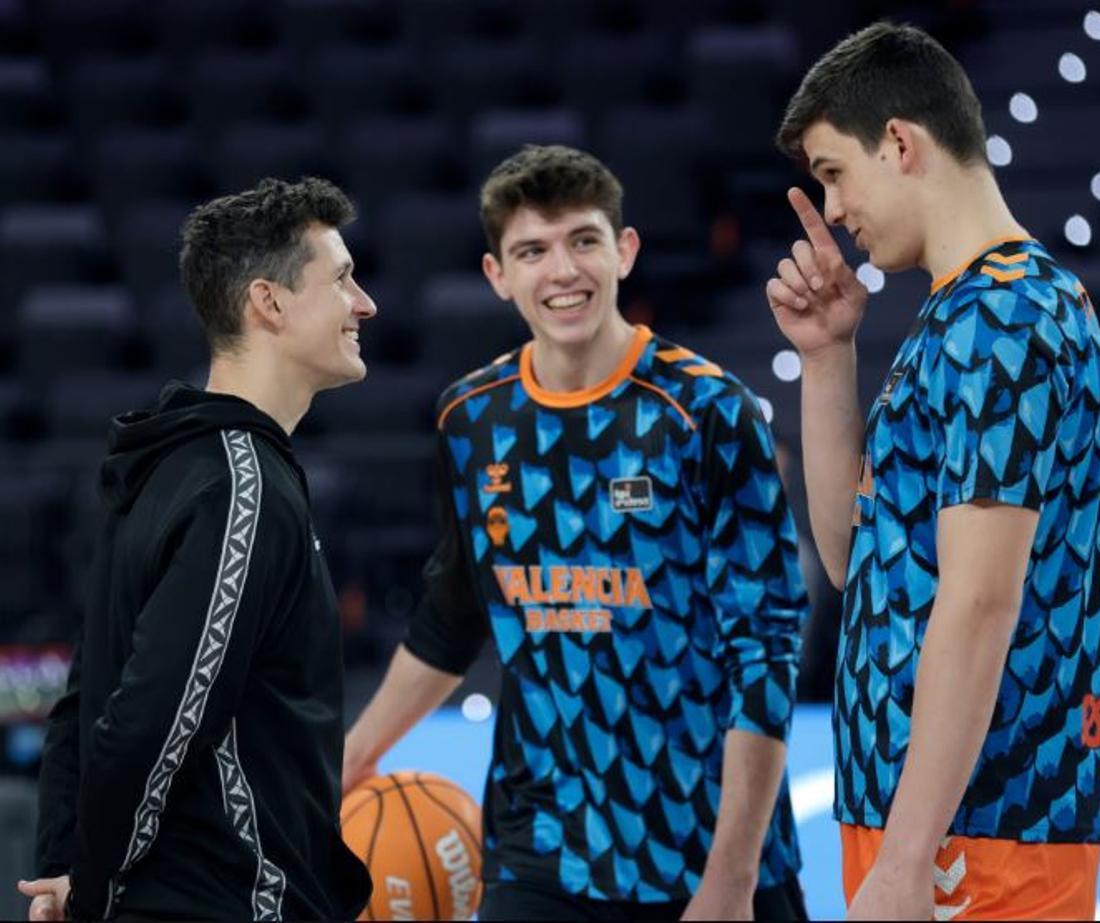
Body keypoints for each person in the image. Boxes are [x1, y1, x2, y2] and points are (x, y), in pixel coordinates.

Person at [344, 144, 810, 921]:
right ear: (498, 275)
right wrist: (356, 757)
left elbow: (765, 649)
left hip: (708, 852)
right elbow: (456, 614)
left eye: (583, 240)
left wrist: (732, 877)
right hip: (544, 848)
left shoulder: (708, 411)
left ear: (624, 251)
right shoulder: (473, 417)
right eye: (532, 250)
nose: (562, 270)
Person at [766, 22, 1100, 921]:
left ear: (900, 143)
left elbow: (981, 600)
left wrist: (909, 855)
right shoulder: (963, 312)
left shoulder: (1006, 318)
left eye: (834, 172)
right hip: (931, 825)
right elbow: (854, 561)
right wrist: (828, 355)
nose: (833, 210)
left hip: (982, 833)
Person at [18, 177, 376, 921]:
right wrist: (91, 885)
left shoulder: (167, 464)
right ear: (268, 303)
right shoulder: (240, 484)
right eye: (341, 278)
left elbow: (85, 698)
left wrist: (63, 862)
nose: (364, 302)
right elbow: (149, 723)